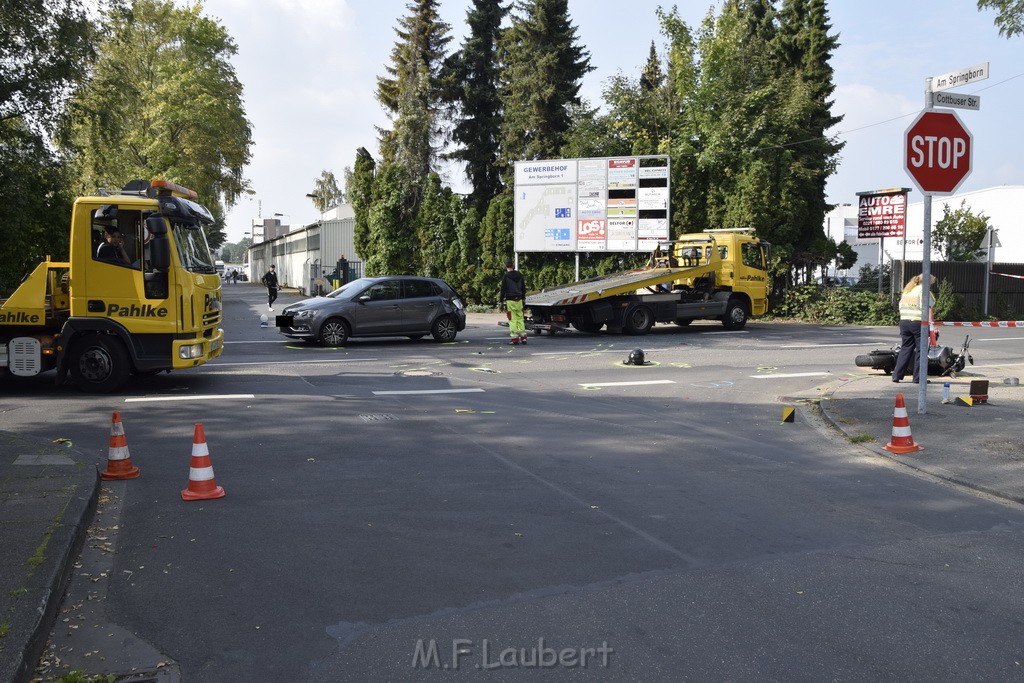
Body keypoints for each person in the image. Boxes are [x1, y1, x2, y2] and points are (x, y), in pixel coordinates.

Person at [892, 273, 936, 384]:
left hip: (904, 322)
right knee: (921, 350)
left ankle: (896, 375)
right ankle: (918, 378)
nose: (932, 284)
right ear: (927, 282)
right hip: (918, 322)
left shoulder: (908, 290)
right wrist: (932, 325)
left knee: (906, 348)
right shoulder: (924, 292)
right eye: (932, 282)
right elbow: (929, 308)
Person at [499, 258, 527, 346]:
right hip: (519, 299)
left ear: (505, 266)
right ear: (513, 265)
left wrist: (501, 301)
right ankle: (523, 337)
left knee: (512, 319)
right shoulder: (520, 275)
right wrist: (523, 298)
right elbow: (523, 288)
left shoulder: (506, 276)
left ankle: (515, 339)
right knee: (520, 318)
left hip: (510, 300)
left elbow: (503, 290)